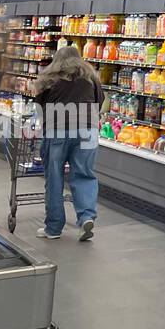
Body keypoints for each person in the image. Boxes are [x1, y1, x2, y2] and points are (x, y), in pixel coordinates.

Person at [33, 44, 103, 241]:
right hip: (88, 130)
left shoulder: (48, 79)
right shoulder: (90, 77)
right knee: (84, 175)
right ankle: (87, 217)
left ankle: (54, 228)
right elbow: (99, 101)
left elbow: (39, 107)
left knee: (54, 178)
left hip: (58, 129)